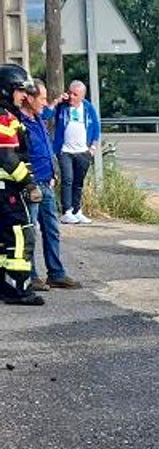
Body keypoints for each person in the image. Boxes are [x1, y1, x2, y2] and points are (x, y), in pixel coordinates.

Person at [22, 80, 81, 291]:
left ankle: (56, 273)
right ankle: (31, 276)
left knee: (52, 230)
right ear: (29, 98)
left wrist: (56, 102)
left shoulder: (38, 117)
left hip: (46, 183)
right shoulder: (19, 122)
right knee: (30, 233)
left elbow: (48, 112)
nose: (44, 103)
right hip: (30, 185)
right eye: (42, 98)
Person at [0, 64, 43, 306]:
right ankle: (22, 289)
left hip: (3, 191)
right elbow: (6, 157)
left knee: (3, 240)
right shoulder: (4, 117)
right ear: (6, 91)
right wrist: (28, 183)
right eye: (19, 90)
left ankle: (3, 287)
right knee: (20, 236)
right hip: (9, 191)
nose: (24, 96)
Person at [53, 79, 101, 224]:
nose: (71, 97)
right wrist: (58, 101)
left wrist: (92, 148)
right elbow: (46, 114)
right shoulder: (63, 107)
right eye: (70, 93)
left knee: (78, 182)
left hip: (83, 151)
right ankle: (66, 211)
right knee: (67, 179)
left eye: (75, 94)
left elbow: (96, 127)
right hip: (65, 150)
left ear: (82, 96)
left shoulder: (88, 108)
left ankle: (76, 210)